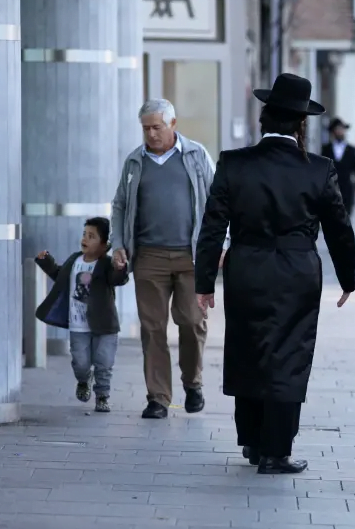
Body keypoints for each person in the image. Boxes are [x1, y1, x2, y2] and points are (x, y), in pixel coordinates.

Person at [194, 73, 355, 475]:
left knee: (248, 348)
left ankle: (251, 441)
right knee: (289, 354)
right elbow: (339, 226)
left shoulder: (233, 163)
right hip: (297, 271)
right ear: (301, 123)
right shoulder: (318, 169)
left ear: (263, 119)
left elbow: (213, 225)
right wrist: (348, 277)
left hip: (246, 267)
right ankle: (276, 451)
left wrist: (203, 283)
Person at [110, 98, 228, 420]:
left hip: (192, 257)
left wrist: (222, 244)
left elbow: (219, 202)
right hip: (148, 257)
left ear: (172, 124)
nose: (151, 134)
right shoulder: (135, 162)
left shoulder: (195, 155)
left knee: (192, 321)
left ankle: (193, 382)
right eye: (146, 128)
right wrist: (118, 244)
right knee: (152, 328)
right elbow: (119, 205)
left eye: (156, 127)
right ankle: (158, 398)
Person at [33, 217, 129, 413]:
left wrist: (120, 268)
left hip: (105, 325)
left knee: (104, 362)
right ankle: (83, 380)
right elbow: (59, 276)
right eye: (84, 234)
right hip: (79, 326)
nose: (85, 239)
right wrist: (46, 262)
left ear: (104, 245)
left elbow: (117, 279)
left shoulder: (106, 264)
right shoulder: (74, 260)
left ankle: (102, 396)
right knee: (80, 362)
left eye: (91, 236)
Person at [321, 117, 355, 216]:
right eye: (337, 129)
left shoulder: (351, 150)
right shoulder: (326, 149)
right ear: (333, 132)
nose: (340, 132)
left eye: (342, 129)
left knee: (346, 215)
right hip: (330, 188)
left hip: (347, 188)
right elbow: (321, 169)